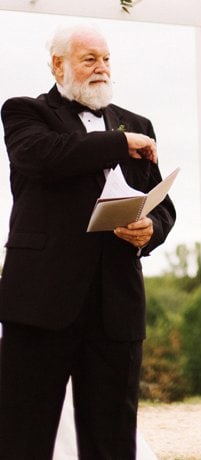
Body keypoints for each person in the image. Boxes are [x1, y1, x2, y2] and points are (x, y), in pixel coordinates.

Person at [0, 24, 174, 457]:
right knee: (22, 435)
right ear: (58, 65)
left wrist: (150, 230)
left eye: (106, 59)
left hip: (115, 309)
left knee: (113, 441)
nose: (101, 68)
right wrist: (118, 143)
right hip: (39, 305)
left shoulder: (138, 125)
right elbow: (44, 157)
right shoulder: (24, 112)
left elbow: (162, 205)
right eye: (89, 59)